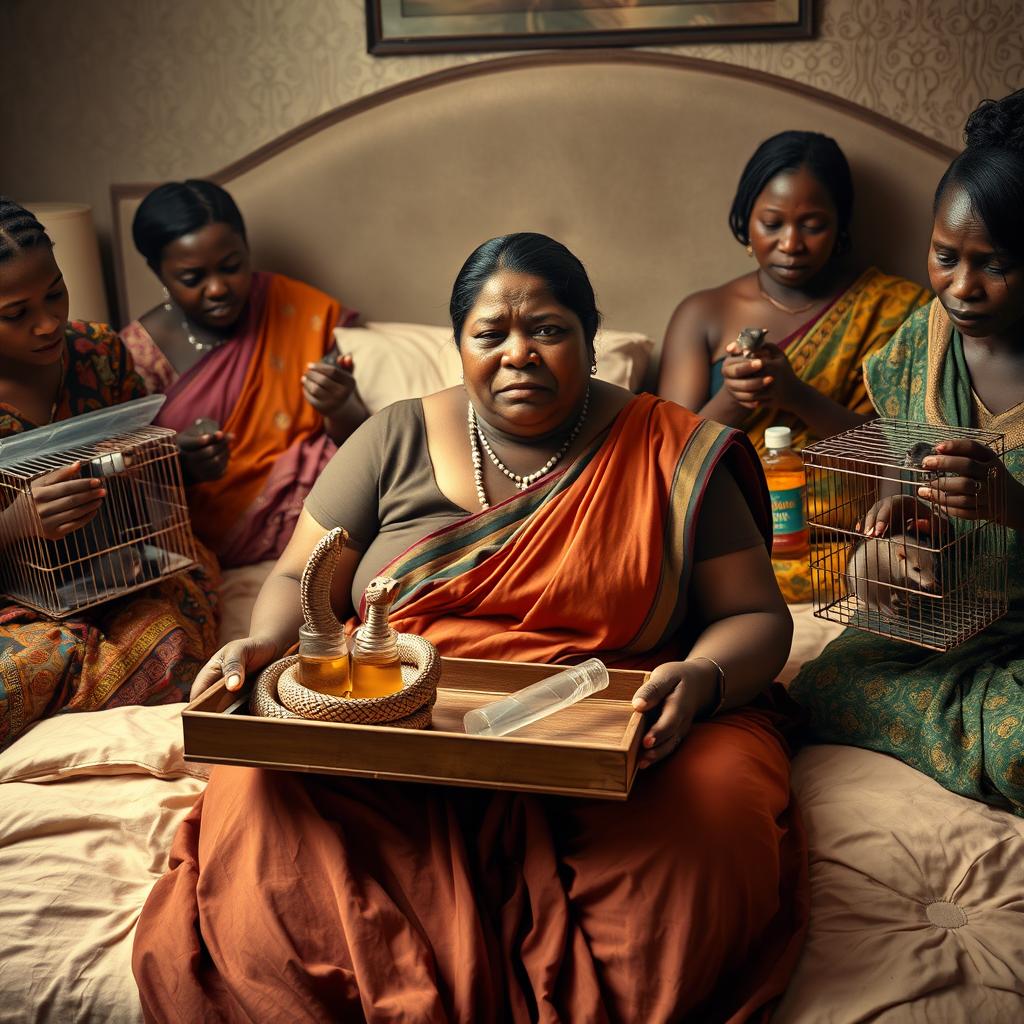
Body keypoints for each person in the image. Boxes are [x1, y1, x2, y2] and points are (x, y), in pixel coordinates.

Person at [133, 233, 808, 1022]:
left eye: (548, 329)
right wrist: (263, 643)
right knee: (258, 799)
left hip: (615, 726)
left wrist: (700, 679)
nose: (519, 353)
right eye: (491, 334)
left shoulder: (668, 448)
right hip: (397, 723)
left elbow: (755, 617)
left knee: (717, 815)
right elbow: (295, 576)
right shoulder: (390, 438)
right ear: (460, 347)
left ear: (589, 338)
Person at [789, 90, 1024, 815]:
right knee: (814, 687)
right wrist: (899, 517)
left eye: (994, 265)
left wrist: (1011, 506)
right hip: (941, 624)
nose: (961, 286)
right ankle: (977, 723)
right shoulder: (921, 341)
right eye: (945, 256)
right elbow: (901, 480)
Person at [658, 131, 930, 601]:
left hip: (854, 541)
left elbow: (901, 449)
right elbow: (663, 455)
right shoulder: (702, 313)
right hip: (731, 540)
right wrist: (735, 397)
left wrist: (796, 395)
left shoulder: (896, 310)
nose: (791, 243)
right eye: (772, 223)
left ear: (841, 224)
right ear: (746, 221)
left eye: (812, 224)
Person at [0, 198, 218, 750]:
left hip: (120, 571)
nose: (48, 322)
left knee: (174, 628)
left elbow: (144, 480)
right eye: (15, 313)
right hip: (13, 605)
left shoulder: (98, 352)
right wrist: (15, 524)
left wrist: (180, 462)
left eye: (55, 293)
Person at [121, 180, 363, 568]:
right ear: (158, 271)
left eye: (232, 267)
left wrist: (340, 404)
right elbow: (123, 490)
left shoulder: (293, 307)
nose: (218, 288)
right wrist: (179, 468)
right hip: (210, 539)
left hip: (325, 506)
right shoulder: (134, 356)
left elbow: (360, 443)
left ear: (247, 249)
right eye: (192, 278)